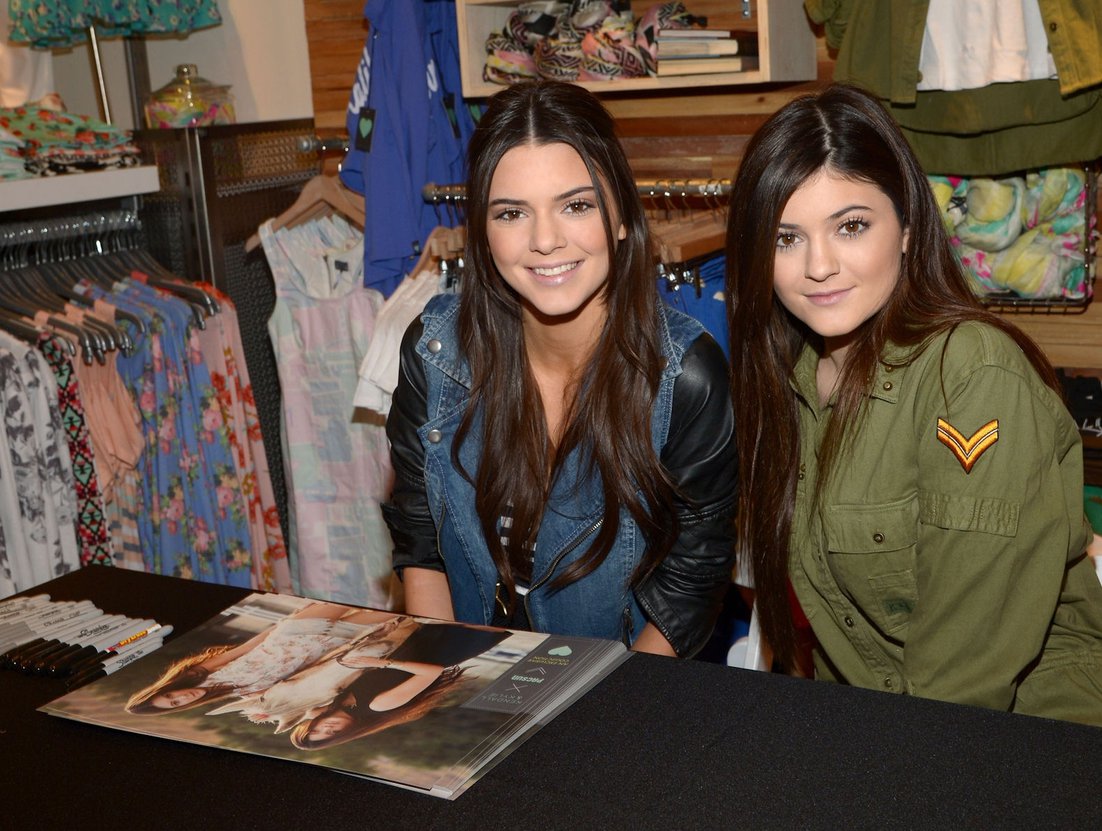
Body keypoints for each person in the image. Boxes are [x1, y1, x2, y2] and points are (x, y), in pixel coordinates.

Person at [725, 82, 1102, 722]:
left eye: (850, 226)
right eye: (786, 238)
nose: (818, 266)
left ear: (905, 225)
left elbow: (962, 682)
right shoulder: (786, 383)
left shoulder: (973, 378)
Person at [384, 79, 737, 658]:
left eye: (576, 205)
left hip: (620, 698)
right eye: (512, 212)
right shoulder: (434, 352)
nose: (545, 240)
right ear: (483, 231)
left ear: (622, 215)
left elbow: (689, 587)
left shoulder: (687, 378)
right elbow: (419, 539)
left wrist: (605, 727)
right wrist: (445, 688)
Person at [125, 602, 397, 714]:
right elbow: (294, 692)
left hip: (295, 631)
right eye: (175, 705)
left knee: (349, 596)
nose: (181, 699)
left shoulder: (200, 672)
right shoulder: (246, 695)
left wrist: (279, 626)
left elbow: (242, 649)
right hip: (328, 644)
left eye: (172, 696)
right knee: (387, 608)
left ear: (171, 689)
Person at [288, 620, 511, 749]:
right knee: (487, 612)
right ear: (343, 734)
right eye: (330, 733)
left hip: (418, 639)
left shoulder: (338, 703)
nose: (327, 727)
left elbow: (305, 706)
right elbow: (432, 672)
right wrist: (383, 663)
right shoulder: (376, 707)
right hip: (445, 646)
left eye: (317, 728)